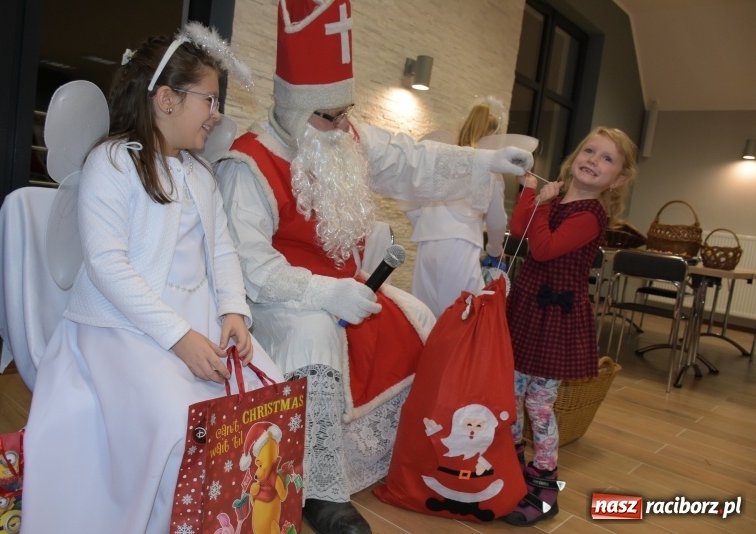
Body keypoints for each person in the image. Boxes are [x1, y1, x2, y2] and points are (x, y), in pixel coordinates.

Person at [215, 1, 532, 533]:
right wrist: (324, 293)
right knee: (315, 334)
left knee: (415, 316)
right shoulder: (248, 163)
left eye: (346, 112)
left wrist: (485, 162)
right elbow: (248, 266)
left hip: (344, 287)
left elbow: (413, 161)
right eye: (328, 116)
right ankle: (317, 490)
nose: (343, 126)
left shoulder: (345, 136)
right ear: (295, 110)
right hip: (275, 301)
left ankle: (400, 457)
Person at [20, 24, 283, 534]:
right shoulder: (113, 163)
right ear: (166, 99)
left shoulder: (201, 176)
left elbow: (223, 250)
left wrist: (232, 309)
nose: (216, 113)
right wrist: (179, 338)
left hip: (194, 322)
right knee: (177, 420)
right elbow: (108, 266)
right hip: (121, 330)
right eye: (208, 99)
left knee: (260, 401)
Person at [503, 127, 637, 526]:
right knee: (509, 396)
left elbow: (542, 248)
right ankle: (513, 474)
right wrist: (531, 193)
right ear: (575, 156)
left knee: (539, 405)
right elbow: (518, 231)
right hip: (527, 308)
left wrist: (542, 204)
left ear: (619, 179)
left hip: (555, 317)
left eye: (606, 158)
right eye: (589, 150)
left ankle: (545, 488)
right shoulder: (556, 199)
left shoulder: (591, 215)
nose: (594, 160)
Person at [405, 98, 508, 317]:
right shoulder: (490, 170)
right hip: (461, 244)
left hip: (427, 243)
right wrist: (495, 250)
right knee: (463, 316)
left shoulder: (442, 160)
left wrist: (426, 225)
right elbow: (497, 221)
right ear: (492, 135)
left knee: (425, 315)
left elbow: (412, 200)